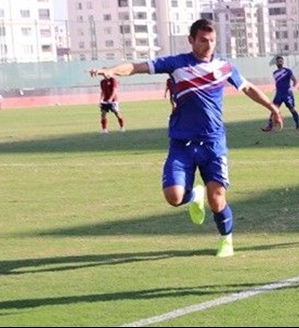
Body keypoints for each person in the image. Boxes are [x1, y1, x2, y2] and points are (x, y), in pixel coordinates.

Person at [89, 18, 283, 257]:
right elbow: (137, 66)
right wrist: (111, 70)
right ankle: (194, 195)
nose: (208, 45)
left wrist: (272, 107)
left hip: (213, 143)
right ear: (191, 40)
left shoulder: (225, 67)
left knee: (217, 200)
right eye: (203, 40)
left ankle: (226, 239)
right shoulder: (177, 64)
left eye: (212, 40)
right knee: (174, 197)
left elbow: (248, 88)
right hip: (182, 143)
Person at [262, 55, 299, 131]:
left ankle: (298, 125)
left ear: (283, 62)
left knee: (292, 109)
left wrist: (291, 89)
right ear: (276, 63)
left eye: (281, 61)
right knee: (274, 109)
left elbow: (295, 81)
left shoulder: (288, 71)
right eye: (278, 61)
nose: (279, 62)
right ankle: (270, 126)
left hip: (287, 94)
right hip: (278, 94)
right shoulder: (275, 73)